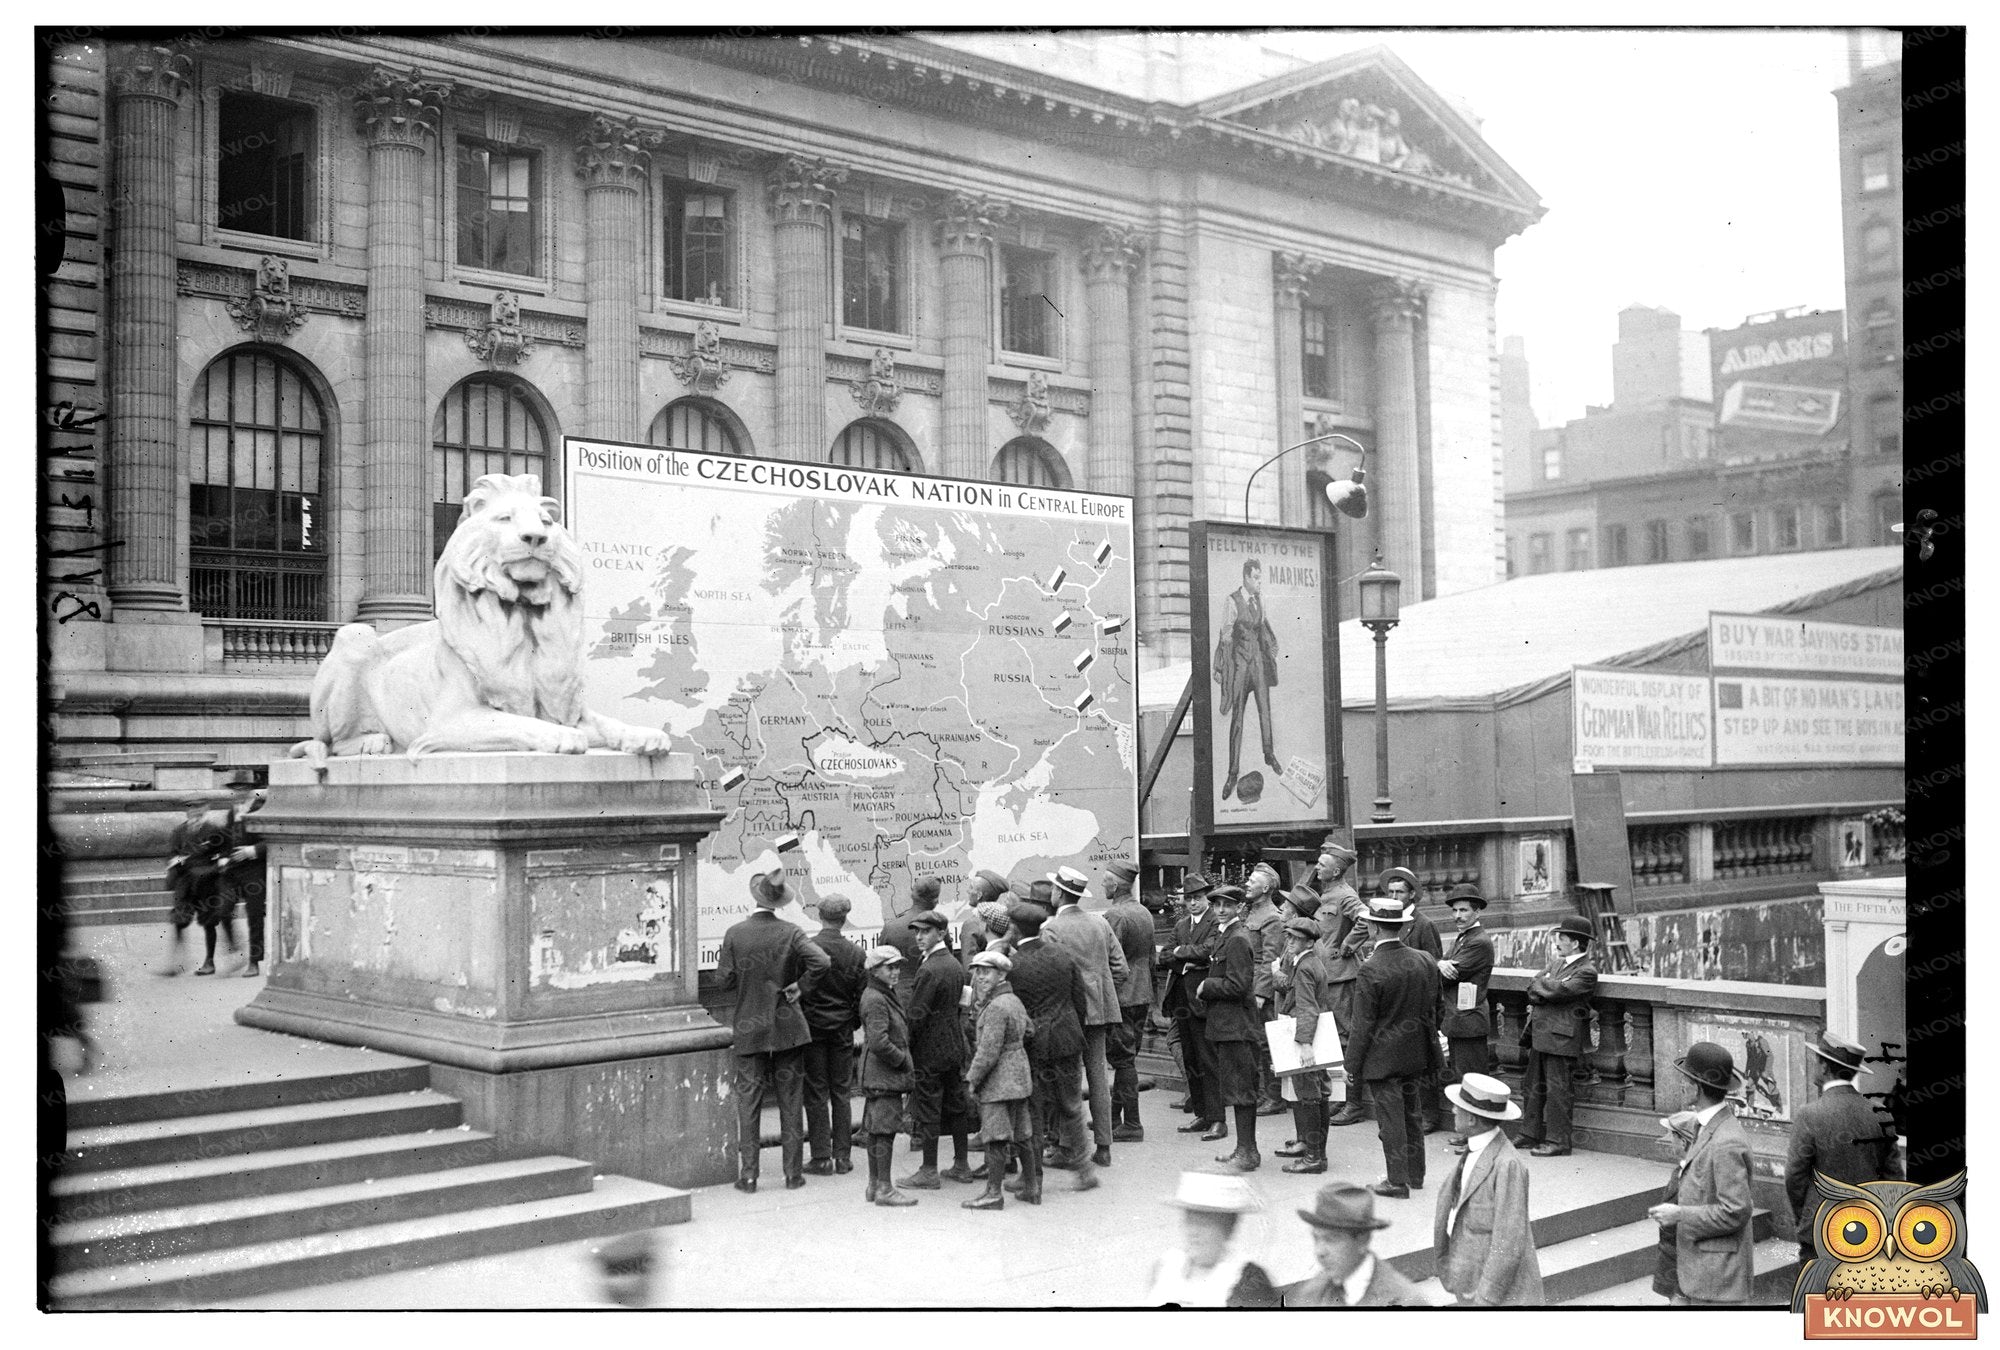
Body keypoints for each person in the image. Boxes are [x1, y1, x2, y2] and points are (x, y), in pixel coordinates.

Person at [714, 868, 832, 1193]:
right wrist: (799, 986)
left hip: (749, 1030)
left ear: (756, 897)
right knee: (791, 1102)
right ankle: (793, 1175)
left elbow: (723, 980)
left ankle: (749, 1176)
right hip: (787, 1030)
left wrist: (742, 981)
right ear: (778, 902)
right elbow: (821, 962)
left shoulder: (735, 933)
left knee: (748, 1102)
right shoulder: (791, 932)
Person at [1649, 1041, 1756, 1305]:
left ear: (1696, 1088)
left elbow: (1736, 1210)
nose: (1682, 1085)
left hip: (1716, 1280)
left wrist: (1680, 1215)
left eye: (1685, 1080)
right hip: (1700, 1273)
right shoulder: (1707, 1127)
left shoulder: (1726, 1141)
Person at [1343, 894, 1434, 1199]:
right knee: (1412, 1113)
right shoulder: (1424, 959)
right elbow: (1437, 1008)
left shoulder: (1371, 968)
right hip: (1417, 1051)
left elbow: (1362, 1025)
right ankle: (1416, 1174)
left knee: (1391, 1119)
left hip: (1383, 1058)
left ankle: (1397, 1181)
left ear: (1373, 927)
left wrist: (1350, 1066)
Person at [1004, 901, 1099, 1193]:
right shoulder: (1062, 955)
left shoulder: (1014, 965)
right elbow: (1079, 1000)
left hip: (1035, 1046)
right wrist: (1075, 1033)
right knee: (1071, 1106)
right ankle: (1084, 1171)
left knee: (1032, 1111)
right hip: (1068, 1040)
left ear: (1015, 929)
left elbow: (1016, 1010)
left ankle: (1032, 1178)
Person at [1784, 1030, 1899, 1264]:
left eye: (1817, 1061)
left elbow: (1794, 1177)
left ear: (1824, 1068)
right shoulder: (1881, 1113)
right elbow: (1894, 1179)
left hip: (1821, 1232)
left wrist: (1805, 1218)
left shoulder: (1810, 1115)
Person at [1433, 1073, 1542, 1306]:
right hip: (1471, 1285)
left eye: (1458, 1107)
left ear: (1472, 1120)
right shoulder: (1475, 1150)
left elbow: (1509, 1242)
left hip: (1497, 1299)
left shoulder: (1507, 1165)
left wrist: (1486, 1299)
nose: (1453, 1111)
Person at [1044, 865, 1127, 1166]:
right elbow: (1121, 969)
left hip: (1067, 1013)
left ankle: (1066, 1146)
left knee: (1067, 1078)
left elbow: (1050, 975)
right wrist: (1102, 990)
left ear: (1059, 892)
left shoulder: (1051, 929)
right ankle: (1103, 1146)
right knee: (1099, 1076)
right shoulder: (1099, 923)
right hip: (1101, 1010)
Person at [900, 909, 979, 1189]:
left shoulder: (929, 968)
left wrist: (907, 1046)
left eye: (926, 932)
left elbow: (916, 1016)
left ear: (942, 933)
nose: (920, 937)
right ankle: (961, 1165)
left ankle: (929, 1170)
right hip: (953, 1045)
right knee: (956, 1105)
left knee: (929, 1108)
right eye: (918, 932)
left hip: (930, 1050)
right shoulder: (955, 965)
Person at [1517, 914, 1599, 1158]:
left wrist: (1547, 987)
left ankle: (1558, 1141)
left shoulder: (1586, 971)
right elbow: (1533, 985)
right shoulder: (1557, 965)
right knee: (1532, 1087)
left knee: (1558, 1092)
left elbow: (1562, 990)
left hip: (1562, 1039)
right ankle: (1529, 1133)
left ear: (1575, 943)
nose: (1557, 942)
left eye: (1561, 938)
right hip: (1541, 1035)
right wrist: (1549, 987)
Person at [1195, 884, 1263, 1172]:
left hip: (1237, 1026)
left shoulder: (1236, 939)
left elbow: (1238, 985)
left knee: (1242, 1089)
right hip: (1228, 1025)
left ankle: (1247, 1151)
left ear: (1240, 908)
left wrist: (1206, 985)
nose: (1221, 909)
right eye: (1217, 905)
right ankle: (1244, 1148)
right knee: (1236, 1088)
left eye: (1228, 905)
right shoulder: (1227, 935)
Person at [961, 949, 1033, 1210]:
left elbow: (987, 1052)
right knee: (1023, 1132)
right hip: (1019, 1077)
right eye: (977, 972)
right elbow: (1031, 1030)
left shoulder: (994, 1007)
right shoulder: (1013, 1000)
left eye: (986, 972)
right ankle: (1032, 1187)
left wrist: (972, 1080)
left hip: (998, 1081)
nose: (980, 977)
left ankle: (993, 1193)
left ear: (1002, 974)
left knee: (995, 1136)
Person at [1378, 866, 1448, 1131]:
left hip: (1419, 1005)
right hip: (1396, 1005)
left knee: (1424, 1062)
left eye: (1400, 892)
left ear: (1411, 896)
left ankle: (1430, 1114)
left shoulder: (1423, 925)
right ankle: (1408, 1114)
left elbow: (1434, 966)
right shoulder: (1387, 921)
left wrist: (1430, 1008)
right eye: (1391, 891)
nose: (1395, 896)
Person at [1283, 1182, 1430, 1306]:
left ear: (1363, 1240)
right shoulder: (1313, 1293)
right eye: (1316, 1238)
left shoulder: (1404, 1301)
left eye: (1332, 1239)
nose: (1319, 1251)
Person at [800, 894, 865, 1176]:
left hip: (813, 1028)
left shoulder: (808, 949)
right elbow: (860, 996)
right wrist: (851, 1021)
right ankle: (843, 1156)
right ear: (844, 918)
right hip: (841, 1029)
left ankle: (820, 1157)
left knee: (815, 1092)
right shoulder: (856, 953)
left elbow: (801, 989)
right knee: (841, 1092)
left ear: (819, 916)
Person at [1148, 1173, 1280, 1307]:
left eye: (1204, 1224)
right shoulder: (1167, 1267)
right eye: (1189, 1221)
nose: (1193, 1232)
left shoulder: (1248, 1281)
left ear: (1228, 1229)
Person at [1160, 874, 1224, 1137]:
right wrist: (1184, 958)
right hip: (1181, 1001)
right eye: (1189, 899)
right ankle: (1201, 1114)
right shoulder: (1182, 924)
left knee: (1208, 1060)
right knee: (1190, 1058)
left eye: (1198, 898)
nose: (1193, 903)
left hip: (1202, 998)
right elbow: (1165, 954)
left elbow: (1210, 951)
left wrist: (1180, 953)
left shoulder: (1214, 923)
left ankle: (1218, 1119)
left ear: (1206, 898)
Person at [1213, 556, 1280, 802]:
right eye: (1256, 578)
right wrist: (1222, 667)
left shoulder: (1260, 600)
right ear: (1246, 578)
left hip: (1258, 666)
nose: (1259, 582)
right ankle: (1232, 773)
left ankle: (1269, 754)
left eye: (1261, 578)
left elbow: (1263, 627)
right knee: (1238, 719)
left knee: (1265, 711)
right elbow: (1226, 635)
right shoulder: (1232, 601)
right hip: (1241, 667)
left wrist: (1271, 646)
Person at [1271, 914, 1332, 1174]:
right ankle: (1313, 1150)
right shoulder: (1308, 962)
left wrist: (1305, 1044)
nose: (1290, 941)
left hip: (1304, 1032)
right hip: (1311, 1032)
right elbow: (1297, 991)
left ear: (1309, 942)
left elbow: (1307, 1007)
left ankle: (1313, 1158)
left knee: (1308, 1094)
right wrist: (1278, 974)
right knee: (1317, 1093)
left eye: (1296, 938)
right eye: (1289, 936)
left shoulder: (1305, 966)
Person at [1437, 882, 1496, 1147]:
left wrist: (1439, 965)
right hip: (1460, 1020)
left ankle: (1477, 1135)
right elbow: (1444, 966)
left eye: (1463, 910)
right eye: (1455, 911)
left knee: (1473, 1080)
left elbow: (1451, 975)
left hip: (1469, 1020)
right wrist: (1439, 962)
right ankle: (1470, 1133)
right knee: (1465, 1078)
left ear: (1477, 913)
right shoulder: (1465, 938)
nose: (1457, 916)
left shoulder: (1479, 942)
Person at [858, 946, 918, 1207]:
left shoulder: (880, 993)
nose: (895, 972)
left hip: (879, 1074)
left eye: (897, 966)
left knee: (877, 1130)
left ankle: (875, 1185)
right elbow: (879, 1041)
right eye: (889, 967)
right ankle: (884, 1187)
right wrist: (903, 1061)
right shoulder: (876, 998)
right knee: (884, 1132)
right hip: (884, 1075)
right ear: (875, 970)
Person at [1102, 860, 1156, 1142]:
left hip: (1121, 997)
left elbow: (1111, 961)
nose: (1102, 884)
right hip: (1141, 994)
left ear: (1116, 885)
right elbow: (1151, 958)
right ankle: (1113, 1118)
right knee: (1128, 1058)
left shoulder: (1115, 916)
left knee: (1123, 1062)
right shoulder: (1144, 912)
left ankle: (1132, 1123)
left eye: (1105, 880)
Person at [1243, 861, 1289, 1117]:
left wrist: (1261, 993)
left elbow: (1270, 959)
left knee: (1266, 1044)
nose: (1247, 884)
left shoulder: (1272, 917)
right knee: (1255, 1043)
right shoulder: (1252, 912)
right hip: (1247, 987)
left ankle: (1274, 1097)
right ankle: (1262, 1094)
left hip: (1261, 992)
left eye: (1252, 880)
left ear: (1267, 887)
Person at [1652, 1109, 1702, 1303]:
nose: (1668, 1139)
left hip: (1685, 1260)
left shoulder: (1695, 1175)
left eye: (1672, 1135)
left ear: (1683, 1141)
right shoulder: (1681, 1170)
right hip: (1674, 1256)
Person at [217, 790, 269, 977]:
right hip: (232, 871)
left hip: (254, 871)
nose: (238, 794)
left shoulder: (261, 808)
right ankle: (234, 949)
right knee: (223, 910)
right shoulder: (232, 811)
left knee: (254, 916)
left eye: (242, 789)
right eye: (235, 789)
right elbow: (225, 840)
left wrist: (251, 850)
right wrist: (222, 858)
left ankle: (254, 962)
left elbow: (272, 839)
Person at [879, 876, 942, 1004]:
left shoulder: (891, 928)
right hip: (931, 998)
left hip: (897, 999)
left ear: (912, 894)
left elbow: (879, 962)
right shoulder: (939, 930)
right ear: (935, 900)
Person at [957, 869, 1010, 958]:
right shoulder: (1002, 919)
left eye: (971, 887)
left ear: (979, 895)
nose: (968, 891)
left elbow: (969, 964)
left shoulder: (971, 924)